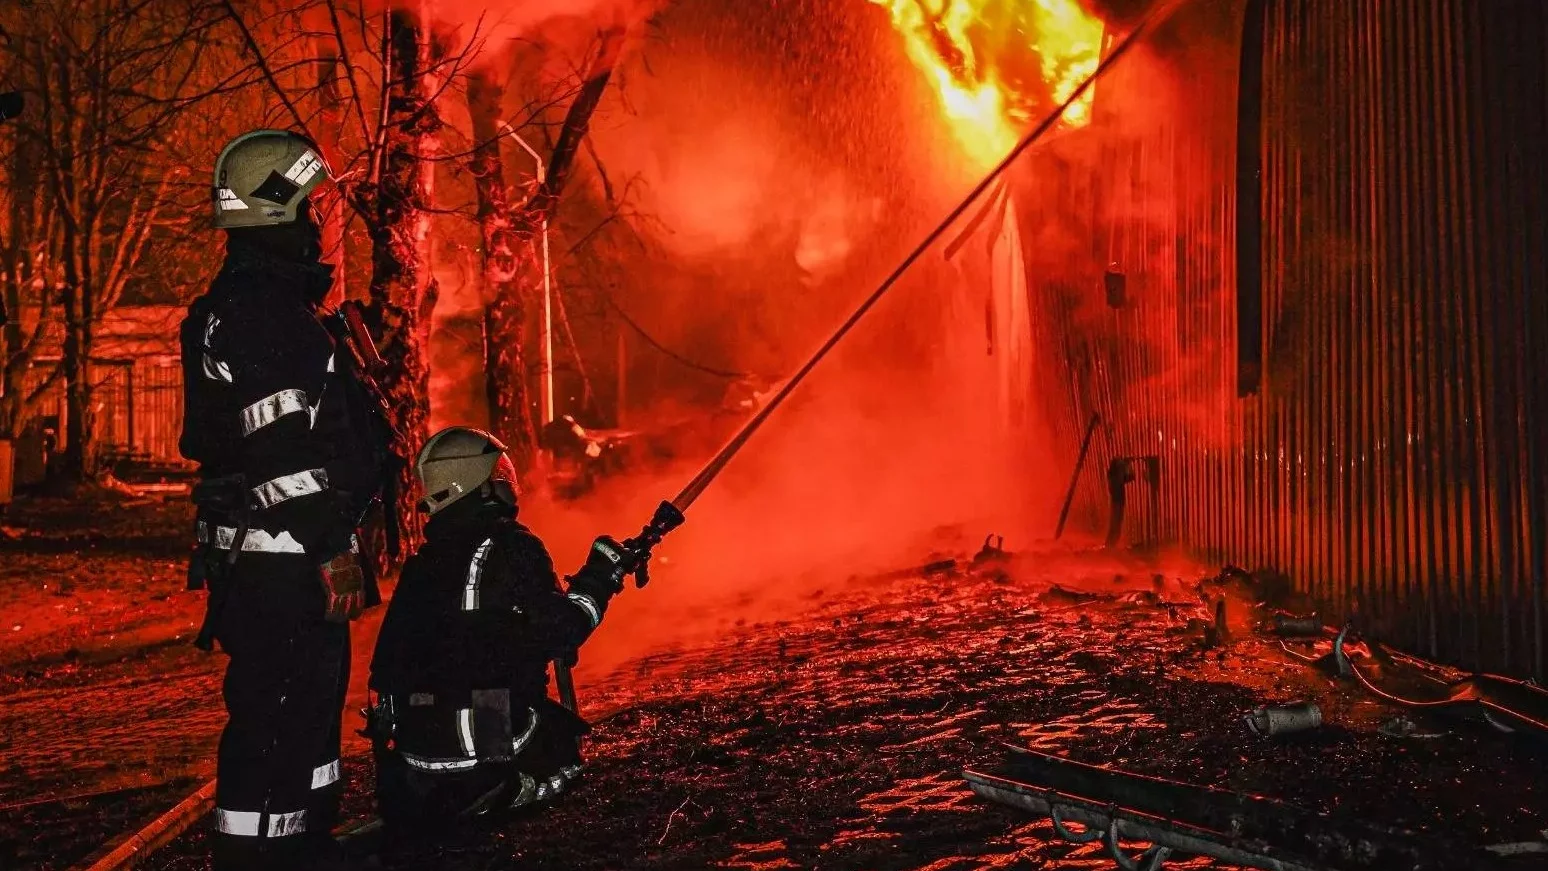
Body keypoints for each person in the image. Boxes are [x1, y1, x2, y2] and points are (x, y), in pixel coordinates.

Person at [179, 129, 398, 870]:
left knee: (302, 712)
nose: (319, 223)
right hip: (284, 559)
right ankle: (259, 854)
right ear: (279, 207)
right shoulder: (265, 316)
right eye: (312, 207)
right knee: (277, 716)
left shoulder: (247, 306)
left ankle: (303, 840)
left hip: (274, 557)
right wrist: (332, 541)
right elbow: (280, 455)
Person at [365, 426, 644, 835]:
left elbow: (391, 667)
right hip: (483, 748)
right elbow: (562, 632)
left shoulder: (421, 565)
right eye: (498, 473)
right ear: (480, 486)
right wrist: (599, 579)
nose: (508, 483)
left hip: (415, 762)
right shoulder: (513, 547)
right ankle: (498, 785)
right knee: (559, 739)